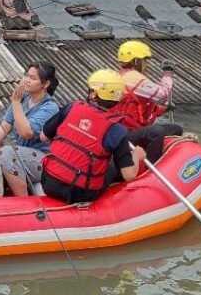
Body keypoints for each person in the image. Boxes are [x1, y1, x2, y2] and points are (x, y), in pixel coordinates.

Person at [39, 70, 147, 205]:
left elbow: (43, 136)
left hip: (48, 182)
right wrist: (136, 155)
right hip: (80, 194)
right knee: (112, 166)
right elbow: (129, 175)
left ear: (94, 93)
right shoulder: (117, 130)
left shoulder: (71, 107)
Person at [0, 62, 60, 196]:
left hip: (42, 159)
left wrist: (16, 102)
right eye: (26, 76)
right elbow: (5, 126)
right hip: (24, 155)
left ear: (45, 84)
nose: (27, 80)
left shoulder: (49, 107)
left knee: (6, 152)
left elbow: (26, 133)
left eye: (33, 78)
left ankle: (23, 201)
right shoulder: (24, 98)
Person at [114, 40, 185, 163]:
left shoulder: (118, 75)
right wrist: (168, 74)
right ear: (136, 61)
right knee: (157, 132)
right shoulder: (135, 79)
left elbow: (139, 108)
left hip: (129, 130)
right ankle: (150, 165)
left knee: (176, 129)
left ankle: (165, 161)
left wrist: (163, 109)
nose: (147, 65)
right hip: (125, 134)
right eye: (145, 61)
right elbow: (164, 93)